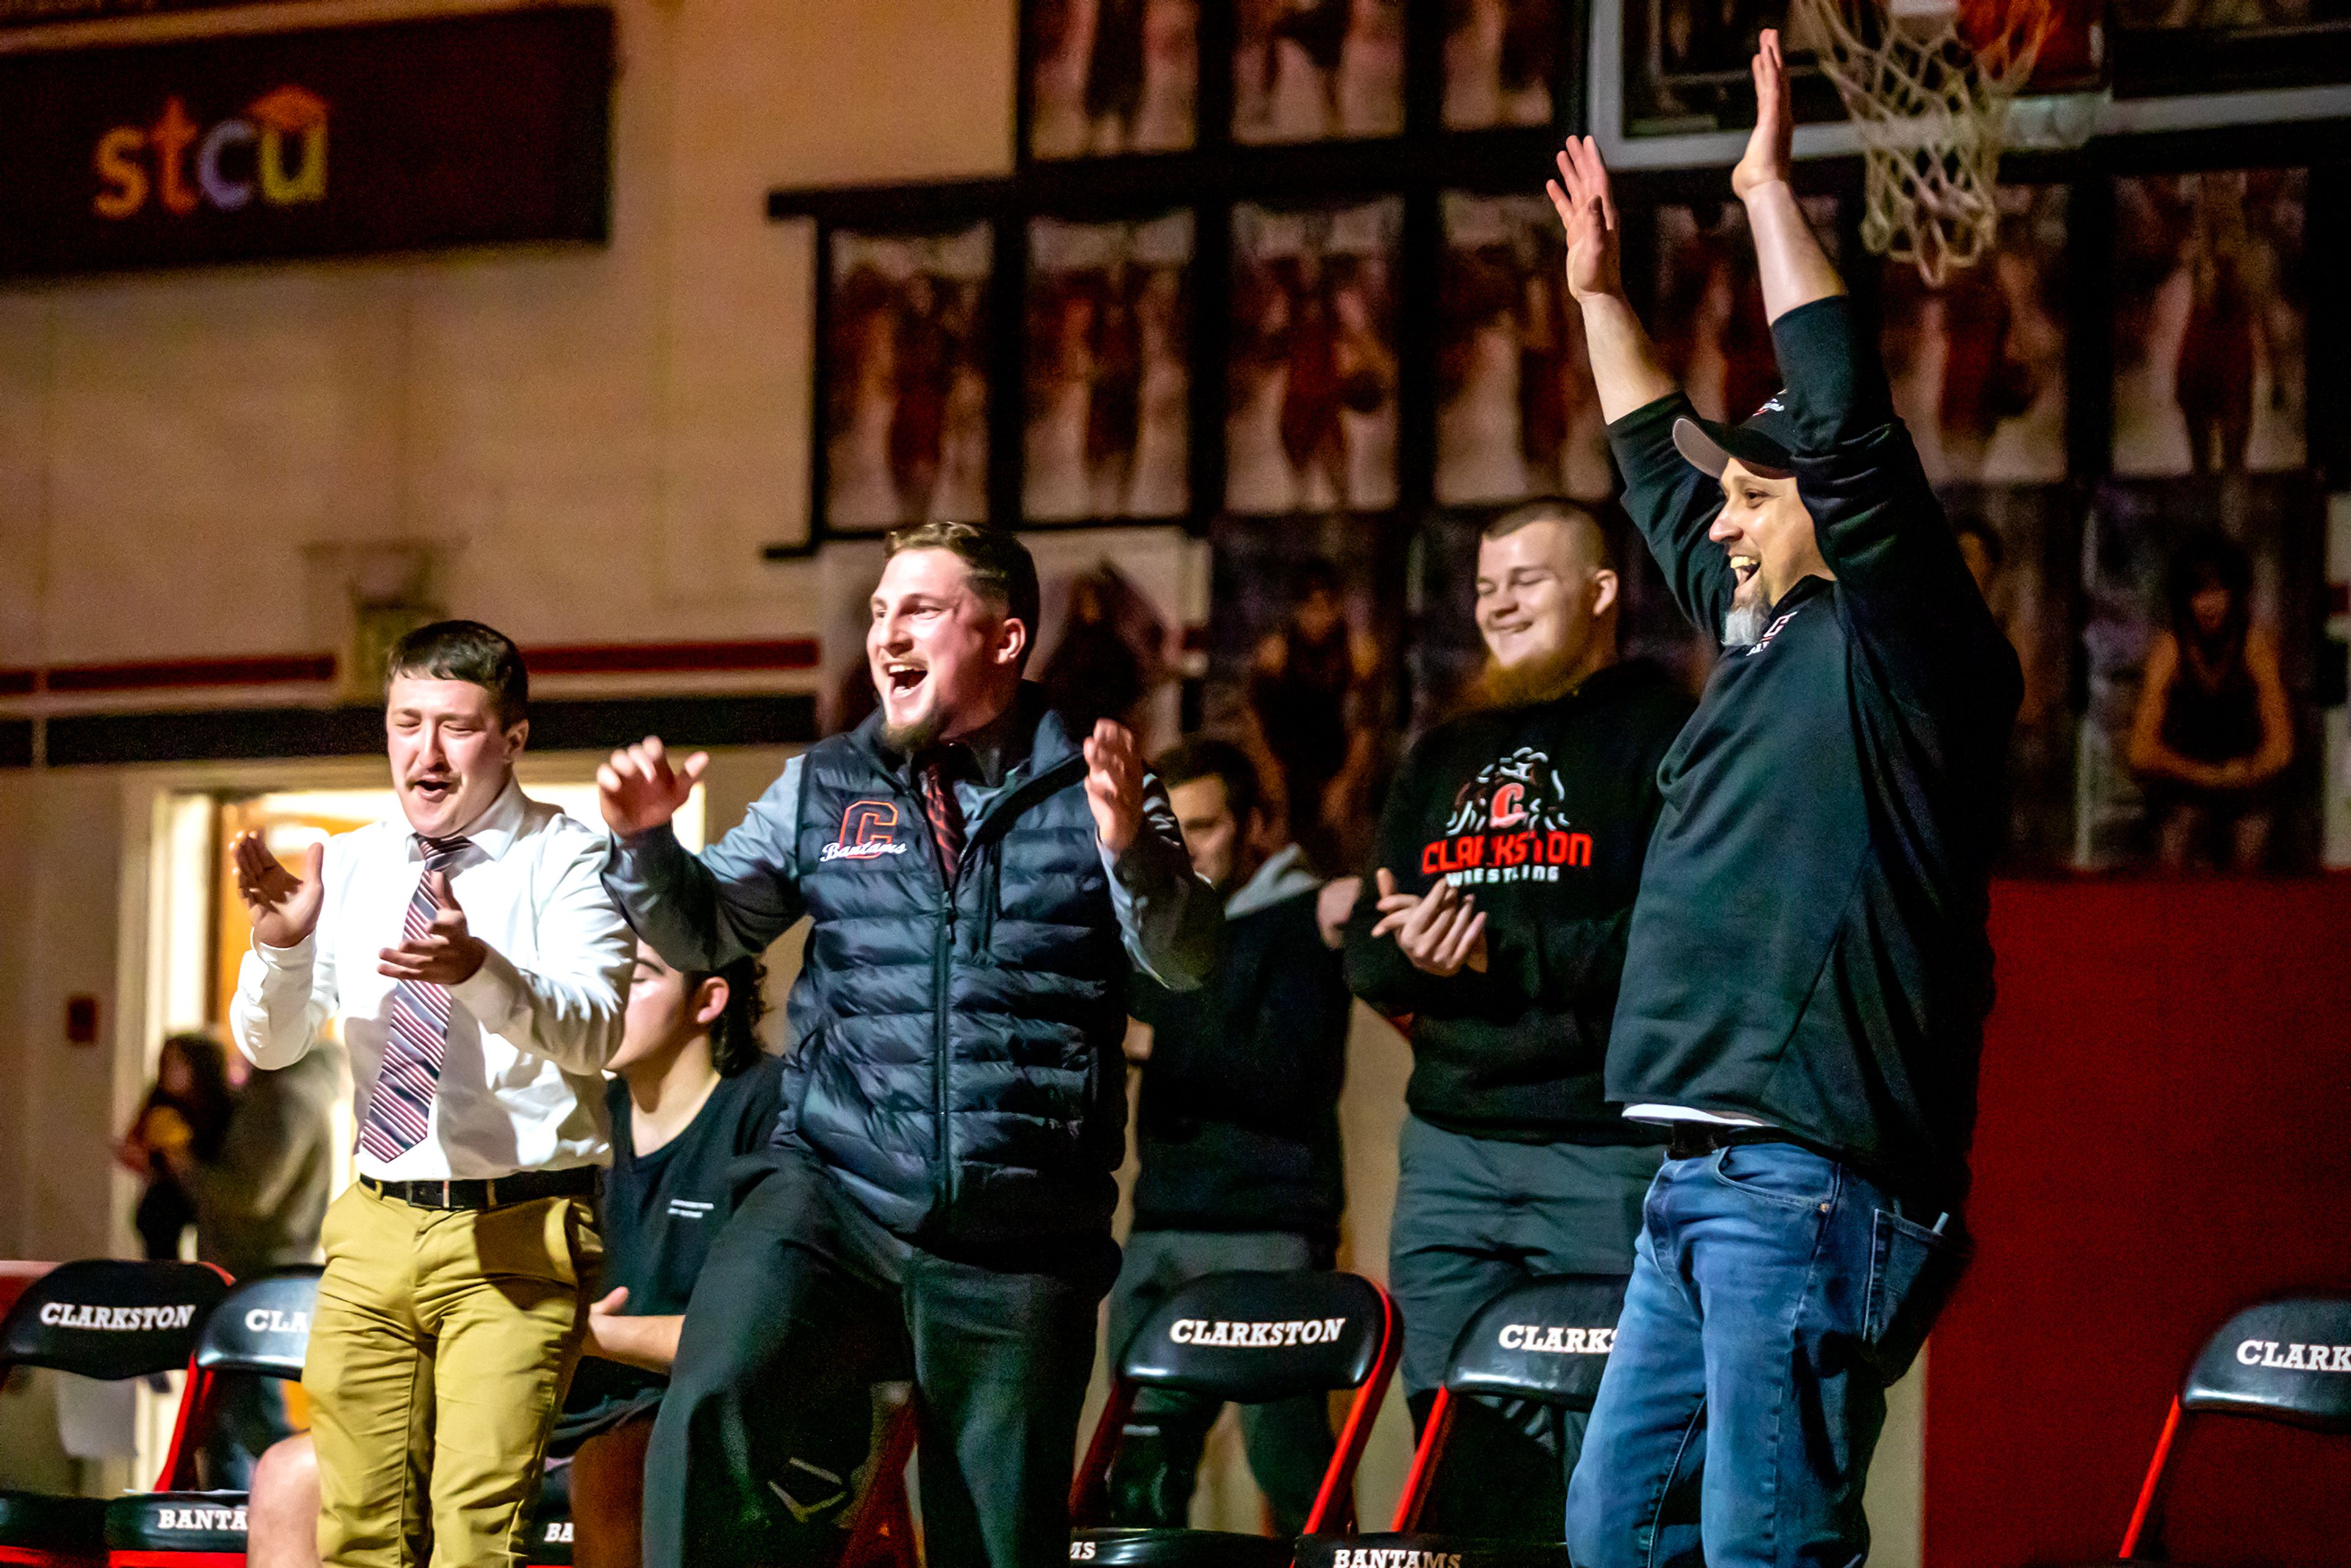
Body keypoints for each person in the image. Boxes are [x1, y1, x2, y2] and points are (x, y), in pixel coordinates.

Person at [1545, 34, 2023, 1567]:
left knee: (1764, 1542)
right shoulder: (1758, 635)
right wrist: (1596, 298)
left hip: (1808, 1183)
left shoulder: (1904, 652)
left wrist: (1761, 191)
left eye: (1758, 494)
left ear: (1829, 505)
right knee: (1615, 1531)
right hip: (1696, 1180)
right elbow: (1654, 468)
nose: (1724, 523)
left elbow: (1840, 420)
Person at [598, 521, 1218, 1568]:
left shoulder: (1099, 786)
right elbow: (706, 930)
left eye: (919, 609)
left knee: (990, 1540)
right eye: (879, 610)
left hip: (1019, 1221)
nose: (887, 631)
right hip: (835, 1188)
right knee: (717, 1392)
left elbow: (1188, 958)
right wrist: (649, 846)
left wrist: (1133, 854)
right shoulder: (825, 784)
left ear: (1006, 637)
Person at [229, 620, 635, 1568]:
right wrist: (284, 946)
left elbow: (598, 1030)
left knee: (473, 1538)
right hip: (374, 1223)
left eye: (455, 726)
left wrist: (479, 969)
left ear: (513, 738)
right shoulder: (355, 861)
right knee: (358, 1534)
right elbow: (271, 1043)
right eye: (406, 722)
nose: (427, 751)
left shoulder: (566, 857)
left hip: (514, 1227)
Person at [1344, 499, 1691, 1536]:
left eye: (1525, 580)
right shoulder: (1442, 753)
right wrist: (1412, 952)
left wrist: (1502, 954)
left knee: (1610, 1480)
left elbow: (1675, 943)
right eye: (1486, 585)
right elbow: (1368, 947)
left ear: (1599, 593)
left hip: (1605, 1152)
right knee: (1461, 1470)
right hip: (1450, 1157)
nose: (1497, 603)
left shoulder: (1663, 734)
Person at [242, 946, 781, 1568]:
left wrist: (597, 1332)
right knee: (291, 1474)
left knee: (611, 1469)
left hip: (698, 1420)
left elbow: (766, 1332)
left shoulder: (769, 1114)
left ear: (708, 1000)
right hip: (538, 1401)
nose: (603, 996)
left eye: (633, 980)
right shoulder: (569, 1111)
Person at [1106, 738, 1359, 1534]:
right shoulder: (1150, 928)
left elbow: (1286, 1075)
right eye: (1171, 831)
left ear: (1253, 825)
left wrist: (1151, 1039)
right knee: (1136, 1485)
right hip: (1162, 1224)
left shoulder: (1303, 922)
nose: (1187, 848)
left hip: (1271, 1228)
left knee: (1296, 1483)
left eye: (1206, 827)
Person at [151, 1038, 341, 1487]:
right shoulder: (280, 1093)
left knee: (256, 1423)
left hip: (258, 1274)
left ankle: (293, 1518)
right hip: (257, 1268)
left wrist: (183, 1165)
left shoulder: (285, 1098)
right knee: (228, 1422)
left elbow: (250, 1195)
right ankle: (242, 1533)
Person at [2128, 533, 2294, 872]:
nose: (2209, 604)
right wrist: (2202, 776)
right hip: (2182, 791)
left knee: (2253, 831)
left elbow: (2281, 747)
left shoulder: (2255, 648)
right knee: (2181, 827)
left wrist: (2242, 773)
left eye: (2218, 592)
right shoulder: (2169, 650)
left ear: (2235, 594)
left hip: (2246, 790)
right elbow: (2140, 750)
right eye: (2199, 593)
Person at [1248, 559, 1381, 874]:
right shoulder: (1275, 655)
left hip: (1335, 766)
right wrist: (1272, 782)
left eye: (1326, 607)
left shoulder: (1358, 654)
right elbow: (1256, 724)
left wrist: (1346, 784)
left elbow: (1365, 729)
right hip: (1286, 769)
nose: (1318, 619)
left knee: (1337, 858)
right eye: (1310, 608)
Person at [117, 1032, 236, 1261]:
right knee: (154, 1213)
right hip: (169, 1191)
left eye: (176, 1063)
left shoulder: (223, 1107)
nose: (167, 1070)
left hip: (208, 1192)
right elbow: (136, 1142)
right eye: (165, 1062)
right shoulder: (159, 1100)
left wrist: (183, 1158)